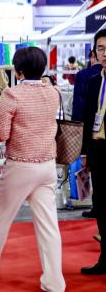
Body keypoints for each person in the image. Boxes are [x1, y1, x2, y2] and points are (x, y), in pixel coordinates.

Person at [0, 47, 65, 292]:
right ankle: (54, 281)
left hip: (21, 165)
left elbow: (1, 133)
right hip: (47, 165)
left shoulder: (12, 94)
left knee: (2, 219)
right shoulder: (53, 92)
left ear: (18, 71)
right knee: (49, 226)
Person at [80, 29, 106, 275]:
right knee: (101, 204)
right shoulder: (94, 81)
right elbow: (89, 119)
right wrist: (86, 152)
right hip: (98, 148)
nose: (105, 53)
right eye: (101, 48)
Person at [72, 49, 103, 220]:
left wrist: (76, 127)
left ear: (92, 56)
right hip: (97, 132)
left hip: (91, 132)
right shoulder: (94, 77)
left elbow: (79, 106)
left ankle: (96, 207)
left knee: (93, 172)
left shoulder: (84, 75)